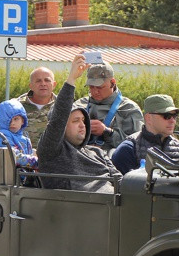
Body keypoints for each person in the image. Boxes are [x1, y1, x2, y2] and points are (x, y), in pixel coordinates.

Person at [37, 54, 121, 193]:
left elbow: (119, 181)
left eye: (83, 120)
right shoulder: (53, 152)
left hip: (114, 207)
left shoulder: (97, 153)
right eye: (75, 121)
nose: (82, 125)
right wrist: (72, 79)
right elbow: (58, 118)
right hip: (82, 208)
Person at [73, 60, 142, 153]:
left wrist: (107, 132)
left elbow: (137, 145)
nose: (95, 91)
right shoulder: (79, 105)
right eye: (91, 87)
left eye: (100, 87)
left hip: (112, 163)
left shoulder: (129, 108)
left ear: (112, 82)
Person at [111, 94, 179, 174]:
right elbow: (122, 184)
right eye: (167, 116)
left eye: (175, 116)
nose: (172, 121)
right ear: (148, 118)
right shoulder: (128, 150)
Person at [17, 66, 57, 146]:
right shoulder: (16, 107)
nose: (43, 84)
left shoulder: (62, 107)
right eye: (38, 81)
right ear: (31, 86)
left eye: (47, 80)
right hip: (23, 156)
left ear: (54, 84)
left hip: (55, 157)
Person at [0, 99, 38, 169]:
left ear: (23, 120)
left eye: (16, 119)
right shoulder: (2, 136)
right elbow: (13, 156)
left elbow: (28, 153)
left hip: (25, 175)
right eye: (8, 120)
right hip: (10, 176)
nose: (12, 123)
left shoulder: (24, 136)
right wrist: (36, 161)